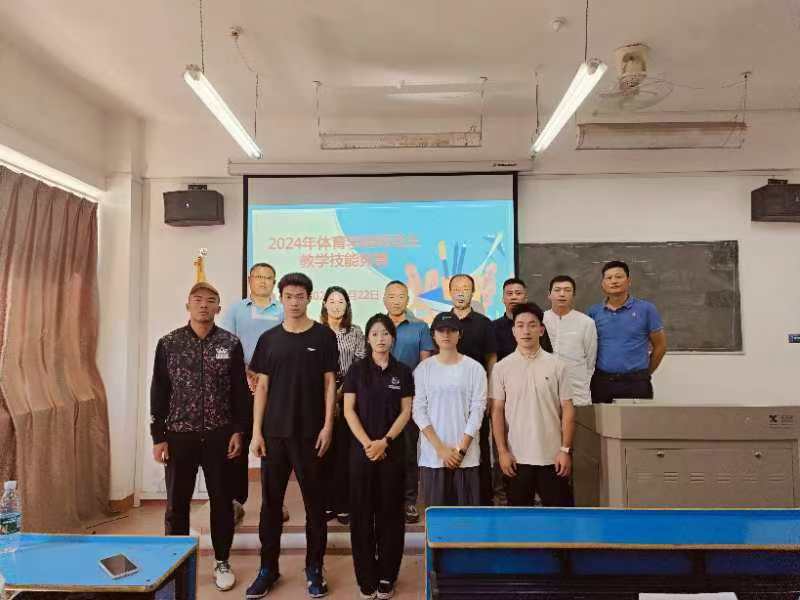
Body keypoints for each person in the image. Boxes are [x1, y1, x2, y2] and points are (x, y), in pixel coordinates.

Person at [150, 281, 249, 592]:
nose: (203, 305)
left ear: (219, 307)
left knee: (222, 502)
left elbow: (240, 393)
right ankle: (175, 564)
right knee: (176, 504)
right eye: (197, 300)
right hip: (180, 436)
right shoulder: (169, 343)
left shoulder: (230, 343)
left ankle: (222, 561)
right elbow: (159, 391)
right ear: (188, 305)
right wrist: (158, 436)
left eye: (210, 300)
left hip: (220, 436)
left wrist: (239, 430)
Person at [246, 273, 338, 599]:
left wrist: (328, 426)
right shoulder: (269, 339)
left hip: (311, 434)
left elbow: (330, 383)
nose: (294, 302)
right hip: (274, 435)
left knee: (315, 506)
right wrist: (256, 432)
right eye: (289, 296)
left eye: (300, 296)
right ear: (280, 298)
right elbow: (262, 387)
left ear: (309, 298)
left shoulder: (324, 336)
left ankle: (314, 568)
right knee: (271, 505)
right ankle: (267, 569)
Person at [343, 314, 413, 600]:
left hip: (392, 453)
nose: (380, 338)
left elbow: (406, 412)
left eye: (385, 333)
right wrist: (368, 444)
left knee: (390, 515)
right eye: (375, 333)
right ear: (368, 338)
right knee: (361, 515)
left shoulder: (403, 372)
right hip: (361, 454)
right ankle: (366, 577)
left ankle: (387, 574)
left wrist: (385, 442)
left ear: (392, 338)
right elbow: (348, 410)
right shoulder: (356, 370)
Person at [218, 262, 287, 523]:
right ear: (250, 280)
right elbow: (225, 344)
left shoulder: (283, 310)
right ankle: (236, 502)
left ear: (274, 282)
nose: (263, 281)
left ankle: (275, 503)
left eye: (268, 277)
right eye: (258, 276)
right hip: (241, 386)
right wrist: (247, 372)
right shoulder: (236, 310)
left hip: (275, 388)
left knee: (274, 447)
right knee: (238, 443)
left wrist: (267, 376)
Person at [491, 302, 575, 507]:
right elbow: (497, 411)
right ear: (513, 331)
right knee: (519, 520)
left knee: (559, 518)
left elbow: (568, 410)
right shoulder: (502, 368)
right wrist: (502, 452)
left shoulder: (557, 365)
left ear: (541, 330)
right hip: (516, 458)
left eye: (532, 325)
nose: (526, 331)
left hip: (553, 457)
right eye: (520, 325)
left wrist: (565, 450)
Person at [413, 312, 486, 507]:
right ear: (433, 335)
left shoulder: (475, 369)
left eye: (452, 330)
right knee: (436, 520)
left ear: (459, 334)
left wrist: (460, 451)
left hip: (466, 458)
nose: (446, 334)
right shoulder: (423, 369)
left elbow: (477, 411)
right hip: (433, 457)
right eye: (441, 330)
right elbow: (418, 411)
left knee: (467, 520)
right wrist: (441, 450)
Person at [383, 280, 434, 524]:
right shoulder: (376, 325)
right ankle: (385, 500)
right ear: (384, 299)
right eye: (391, 296)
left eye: (400, 296)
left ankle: (409, 500)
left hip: (409, 400)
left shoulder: (420, 327)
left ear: (408, 299)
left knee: (408, 452)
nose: (396, 300)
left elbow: (424, 366)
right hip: (379, 401)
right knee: (382, 450)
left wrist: (413, 396)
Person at [587, 261, 667, 404]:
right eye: (609, 278)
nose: (614, 281)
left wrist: (645, 373)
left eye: (619, 277)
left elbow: (660, 346)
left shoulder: (647, 309)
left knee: (638, 419)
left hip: (636, 383)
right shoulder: (594, 312)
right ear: (603, 283)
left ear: (629, 281)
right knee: (601, 419)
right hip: (602, 382)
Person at [448, 274, 496, 505]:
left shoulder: (484, 323)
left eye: (465, 288)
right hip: (447, 397)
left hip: (476, 397)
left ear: (472, 292)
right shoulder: (442, 322)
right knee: (450, 443)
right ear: (449, 293)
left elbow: (491, 359)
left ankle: (483, 499)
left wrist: (490, 394)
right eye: (456, 288)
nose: (461, 292)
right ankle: (452, 498)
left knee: (479, 445)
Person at [320, 285, 365, 525]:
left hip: (349, 393)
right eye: (332, 301)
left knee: (345, 452)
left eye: (341, 302)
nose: (336, 306)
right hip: (319, 394)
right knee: (324, 451)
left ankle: (344, 503)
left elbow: (359, 366)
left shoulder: (355, 332)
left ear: (347, 306)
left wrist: (338, 395)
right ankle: (326, 502)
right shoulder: (316, 331)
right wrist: (328, 396)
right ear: (324, 304)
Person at [543, 275, 597, 406]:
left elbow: (590, 361)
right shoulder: (539, 320)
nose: (562, 294)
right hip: (544, 391)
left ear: (573, 295)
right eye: (557, 290)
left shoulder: (586, 322)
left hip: (577, 393)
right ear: (549, 294)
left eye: (567, 290)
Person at [492, 277, 553, 361]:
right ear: (503, 299)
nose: (514, 297)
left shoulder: (537, 325)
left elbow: (547, 355)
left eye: (518, 293)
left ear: (525, 299)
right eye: (509, 293)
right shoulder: (492, 327)